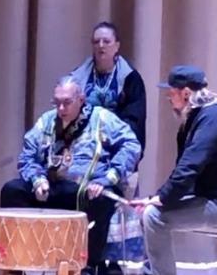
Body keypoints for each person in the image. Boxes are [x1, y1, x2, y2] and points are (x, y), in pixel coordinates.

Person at [0, 76, 141, 275]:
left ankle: (87, 265)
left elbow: (131, 145)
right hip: (52, 188)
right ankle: (15, 262)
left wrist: (109, 177)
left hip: (88, 189)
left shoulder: (101, 118)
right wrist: (36, 178)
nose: (61, 109)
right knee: (12, 190)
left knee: (101, 199)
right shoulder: (47, 121)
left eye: (67, 103)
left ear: (81, 99)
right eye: (56, 103)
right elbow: (27, 155)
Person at [130, 65, 217, 275]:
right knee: (149, 211)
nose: (169, 100)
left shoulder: (213, 118)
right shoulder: (200, 117)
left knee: (154, 216)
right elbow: (185, 170)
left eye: (171, 94)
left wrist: (161, 198)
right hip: (207, 197)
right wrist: (156, 197)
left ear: (186, 93)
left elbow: (189, 167)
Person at [69, 21, 147, 273]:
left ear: (117, 47)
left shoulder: (130, 80)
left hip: (115, 153)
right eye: (96, 41)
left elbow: (135, 124)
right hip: (82, 154)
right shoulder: (77, 78)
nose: (101, 46)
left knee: (105, 197)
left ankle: (108, 262)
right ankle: (79, 257)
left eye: (106, 41)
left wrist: (114, 149)